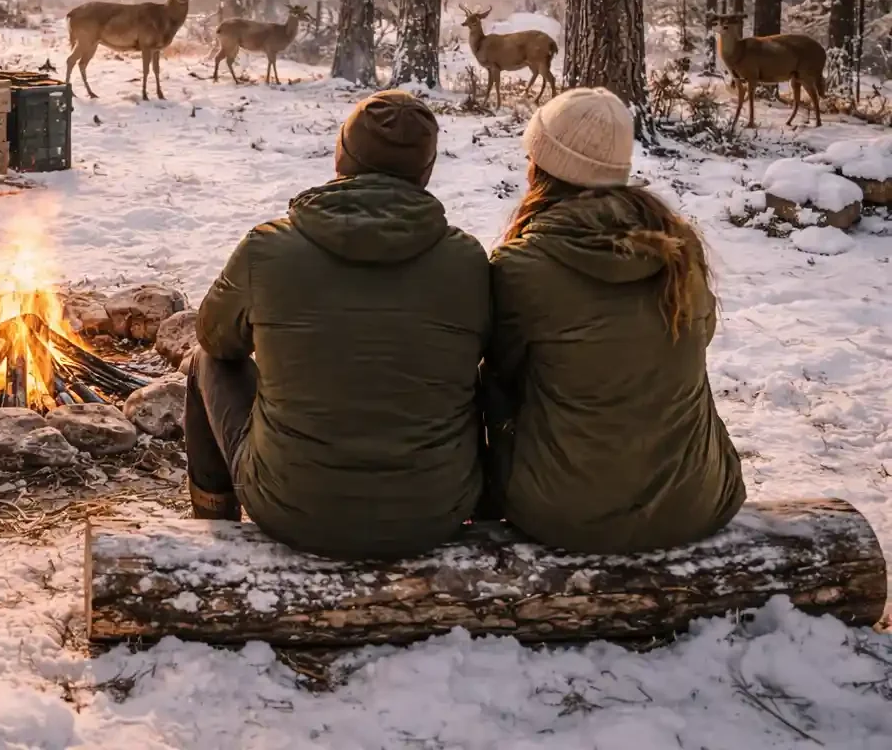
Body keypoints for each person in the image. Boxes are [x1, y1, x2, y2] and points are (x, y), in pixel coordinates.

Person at [188, 90, 490, 560]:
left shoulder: (268, 249)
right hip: (436, 511)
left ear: (341, 158)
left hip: (290, 508)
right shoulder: (467, 260)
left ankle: (214, 528)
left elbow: (214, 337)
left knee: (205, 359)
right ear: (425, 172)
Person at [484, 87, 745, 554]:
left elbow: (503, 370)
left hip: (563, 514)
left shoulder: (522, 266)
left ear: (540, 166)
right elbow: (698, 339)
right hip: (697, 499)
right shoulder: (679, 247)